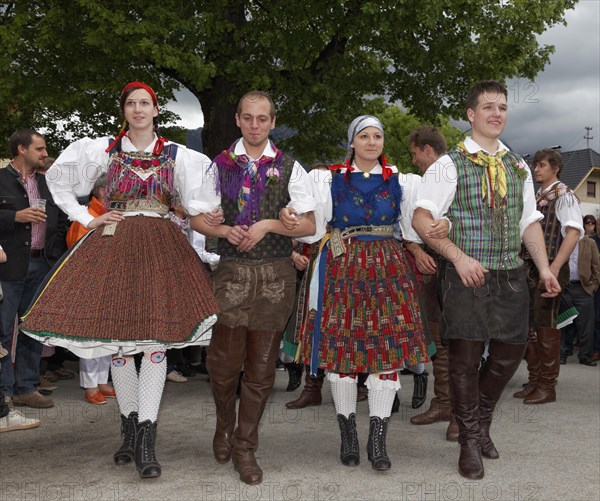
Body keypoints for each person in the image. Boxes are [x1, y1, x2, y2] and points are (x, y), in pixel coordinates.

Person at [20, 82, 220, 479]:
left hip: (162, 249)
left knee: (156, 343)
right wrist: (87, 218)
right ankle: (129, 431)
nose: (138, 109)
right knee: (122, 346)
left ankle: (146, 437)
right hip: (115, 244)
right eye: (131, 103)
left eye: (144, 103)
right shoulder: (102, 151)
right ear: (124, 110)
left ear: (156, 109)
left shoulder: (179, 156)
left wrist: (198, 216)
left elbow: (202, 202)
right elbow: (57, 183)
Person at [412, 80, 560, 480]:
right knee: (464, 359)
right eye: (488, 107)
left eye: (502, 107)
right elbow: (421, 219)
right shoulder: (449, 164)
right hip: (465, 276)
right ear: (471, 114)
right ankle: (470, 441)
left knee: (509, 355)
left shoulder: (517, 165)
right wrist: (457, 258)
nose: (497, 114)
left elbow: (528, 221)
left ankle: (478, 425)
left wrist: (545, 267)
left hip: (511, 274)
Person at [289, 115, 432, 472]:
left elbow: (412, 226)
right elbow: (314, 225)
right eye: (364, 136)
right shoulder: (329, 179)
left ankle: (378, 438)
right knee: (342, 358)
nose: (372, 142)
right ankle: (349, 433)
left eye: (378, 136)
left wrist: (435, 229)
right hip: (343, 266)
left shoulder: (402, 180)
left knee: (386, 355)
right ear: (352, 142)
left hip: (388, 267)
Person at [190, 90, 316, 486]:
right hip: (231, 274)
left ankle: (246, 446)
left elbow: (311, 226)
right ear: (238, 119)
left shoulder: (293, 167)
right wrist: (225, 228)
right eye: (249, 118)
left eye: (263, 118)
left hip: (276, 276)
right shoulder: (219, 166)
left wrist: (267, 225)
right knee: (224, 365)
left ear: (273, 122)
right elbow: (197, 220)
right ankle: (223, 423)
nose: (256, 124)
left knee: (261, 370)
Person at [0, 129, 69, 410]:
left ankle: (26, 388)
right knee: (3, 331)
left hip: (41, 264)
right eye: (39, 149)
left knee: (32, 328)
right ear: (21, 150)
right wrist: (14, 216)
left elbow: (62, 218)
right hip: (8, 266)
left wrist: (54, 257)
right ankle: (3, 393)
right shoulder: (1, 180)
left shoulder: (47, 183)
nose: (44, 154)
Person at [403, 125, 459, 441]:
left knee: (454, 335)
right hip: (432, 262)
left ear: (427, 149)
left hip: (450, 262)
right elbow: (412, 227)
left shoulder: (446, 173)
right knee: (438, 333)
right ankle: (445, 402)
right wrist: (415, 249)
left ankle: (454, 406)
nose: (415, 161)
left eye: (415, 154)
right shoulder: (432, 177)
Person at [514, 148, 582, 404]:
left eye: (541, 165)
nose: (536, 169)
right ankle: (534, 379)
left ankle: (547, 386)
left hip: (551, 266)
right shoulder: (537, 196)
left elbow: (573, 233)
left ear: (556, 168)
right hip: (530, 266)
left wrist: (553, 269)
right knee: (530, 325)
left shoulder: (565, 196)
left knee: (545, 324)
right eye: (535, 165)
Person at [63, 173, 116, 405]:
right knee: (90, 338)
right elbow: (80, 255)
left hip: (110, 283)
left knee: (108, 335)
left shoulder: (108, 215)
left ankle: (102, 381)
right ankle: (91, 385)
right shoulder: (86, 217)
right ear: (104, 192)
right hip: (89, 285)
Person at [560, 222, 600, 366]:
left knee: (586, 325)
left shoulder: (589, 243)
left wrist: (593, 286)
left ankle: (585, 356)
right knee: (564, 323)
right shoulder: (561, 241)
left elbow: (596, 266)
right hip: (565, 288)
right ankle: (562, 354)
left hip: (584, 288)